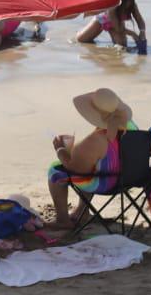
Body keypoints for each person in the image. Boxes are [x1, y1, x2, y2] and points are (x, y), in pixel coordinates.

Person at [47, 88, 131, 229]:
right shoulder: (130, 126)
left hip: (107, 183)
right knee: (94, 165)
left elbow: (74, 168)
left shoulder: (97, 139)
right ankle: (82, 210)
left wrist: (60, 150)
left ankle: (63, 220)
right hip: (129, 178)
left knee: (55, 171)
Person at [77, 0, 146, 48]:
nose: (130, 1)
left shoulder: (133, 5)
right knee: (82, 39)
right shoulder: (113, 7)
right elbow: (118, 29)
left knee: (123, 45)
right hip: (102, 19)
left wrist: (142, 32)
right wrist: (133, 34)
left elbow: (139, 20)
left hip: (114, 22)